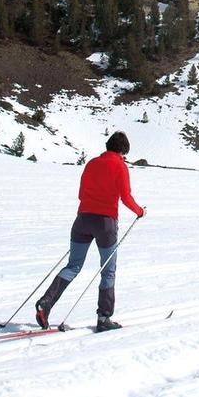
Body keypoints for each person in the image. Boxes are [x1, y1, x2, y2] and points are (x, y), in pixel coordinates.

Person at [35, 131, 146, 332]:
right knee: (108, 271)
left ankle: (46, 303)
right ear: (122, 151)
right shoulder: (120, 166)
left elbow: (80, 194)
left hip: (82, 220)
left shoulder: (92, 163)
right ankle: (104, 318)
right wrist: (140, 211)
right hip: (105, 224)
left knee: (73, 266)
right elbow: (126, 197)